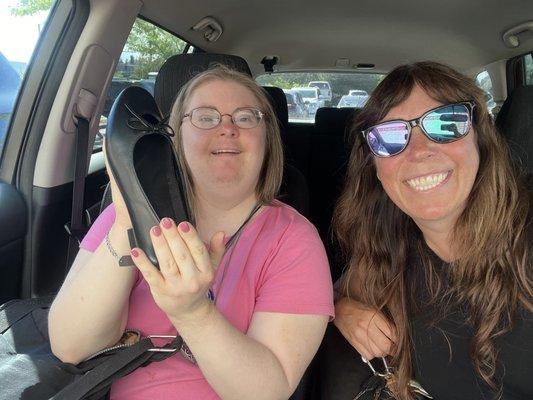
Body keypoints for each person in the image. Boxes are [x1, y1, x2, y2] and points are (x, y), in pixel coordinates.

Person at [49, 66, 334, 399]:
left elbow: (267, 392)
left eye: (245, 118)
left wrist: (193, 313)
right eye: (205, 117)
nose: (227, 128)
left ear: (267, 138)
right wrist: (129, 220)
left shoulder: (294, 240)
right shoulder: (124, 213)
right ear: (174, 135)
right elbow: (70, 347)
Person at [332, 61, 532, 399]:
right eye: (391, 136)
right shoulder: (387, 251)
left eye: (446, 123)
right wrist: (342, 310)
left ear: (480, 139)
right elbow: (330, 292)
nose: (420, 151)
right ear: (375, 168)